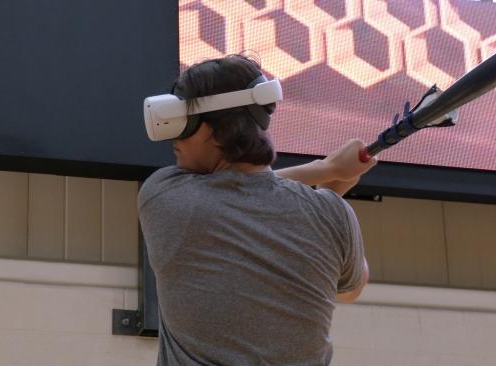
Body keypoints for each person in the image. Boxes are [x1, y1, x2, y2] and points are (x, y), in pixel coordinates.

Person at [138, 54, 377, 365]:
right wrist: (331, 189)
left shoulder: (163, 196)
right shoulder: (333, 214)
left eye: (186, 121)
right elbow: (349, 289)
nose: (175, 137)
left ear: (218, 128)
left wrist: (326, 171)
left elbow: (243, 192)